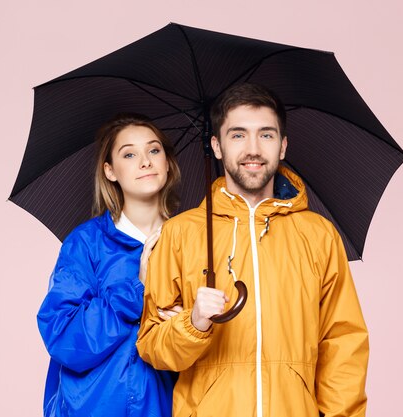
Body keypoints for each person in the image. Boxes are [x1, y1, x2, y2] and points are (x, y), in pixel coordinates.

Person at [136, 83, 369, 417]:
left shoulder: (319, 235)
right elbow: (153, 347)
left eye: (267, 135)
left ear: (283, 145)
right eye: (238, 135)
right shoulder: (180, 234)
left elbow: (343, 344)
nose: (253, 149)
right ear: (216, 146)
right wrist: (194, 322)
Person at [37, 113, 182, 417]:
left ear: (167, 162)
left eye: (154, 150)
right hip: (94, 407)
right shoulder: (86, 244)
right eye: (129, 154)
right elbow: (64, 338)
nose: (145, 161)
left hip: (169, 406)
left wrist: (190, 323)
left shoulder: (193, 240)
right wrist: (136, 289)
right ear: (110, 171)